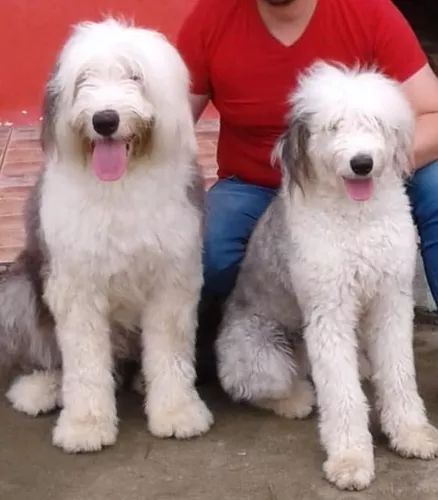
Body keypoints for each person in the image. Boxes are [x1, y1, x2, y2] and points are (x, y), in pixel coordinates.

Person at [176, 0, 438, 378]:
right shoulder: (212, 17)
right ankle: (241, 350)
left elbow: (433, 111)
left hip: (361, 173)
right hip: (256, 184)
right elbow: (174, 122)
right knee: (210, 250)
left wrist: (376, 164)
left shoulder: (368, 12)